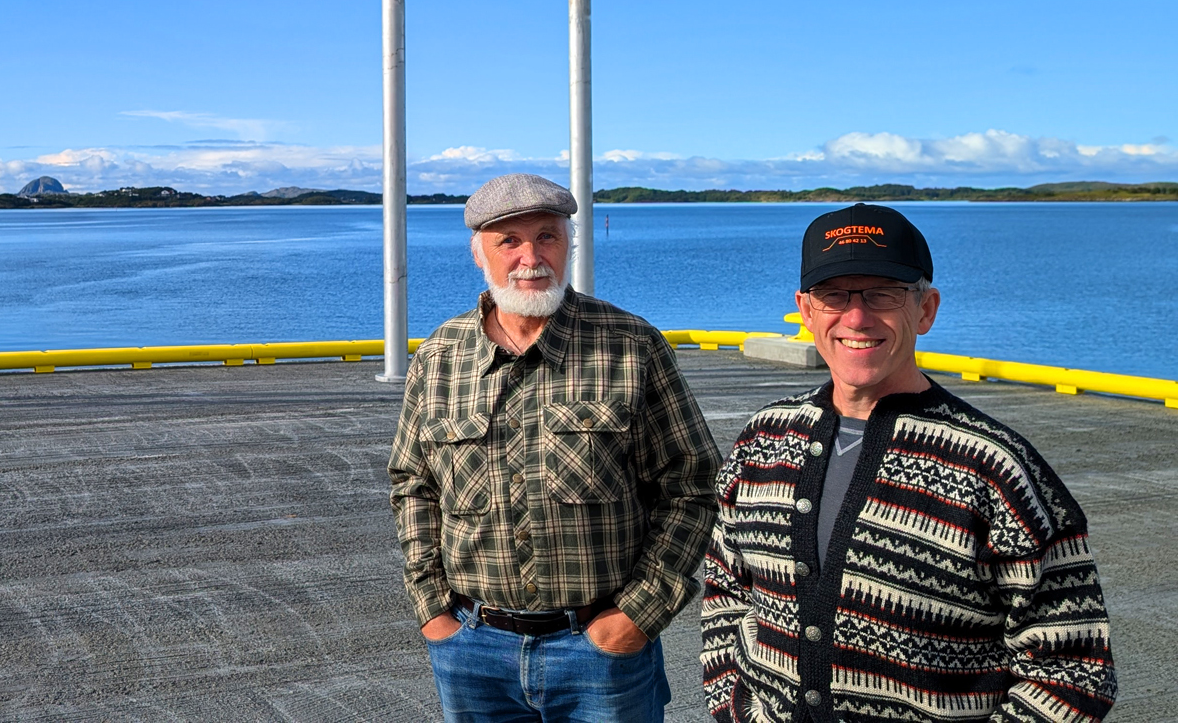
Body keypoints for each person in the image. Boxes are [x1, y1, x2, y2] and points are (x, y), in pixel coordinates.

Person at [702, 203, 1116, 723]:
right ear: (806, 310)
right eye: (834, 295)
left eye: (883, 293)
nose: (856, 317)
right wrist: (733, 706)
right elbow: (726, 588)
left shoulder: (995, 467)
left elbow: (1073, 669)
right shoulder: (763, 438)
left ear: (925, 309)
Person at [388, 173, 721, 722]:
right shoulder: (440, 356)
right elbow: (413, 484)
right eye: (508, 241)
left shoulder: (629, 345)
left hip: (602, 651)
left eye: (547, 236)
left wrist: (638, 615)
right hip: (472, 650)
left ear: (569, 243)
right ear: (478, 254)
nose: (531, 257)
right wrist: (432, 609)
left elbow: (692, 484)